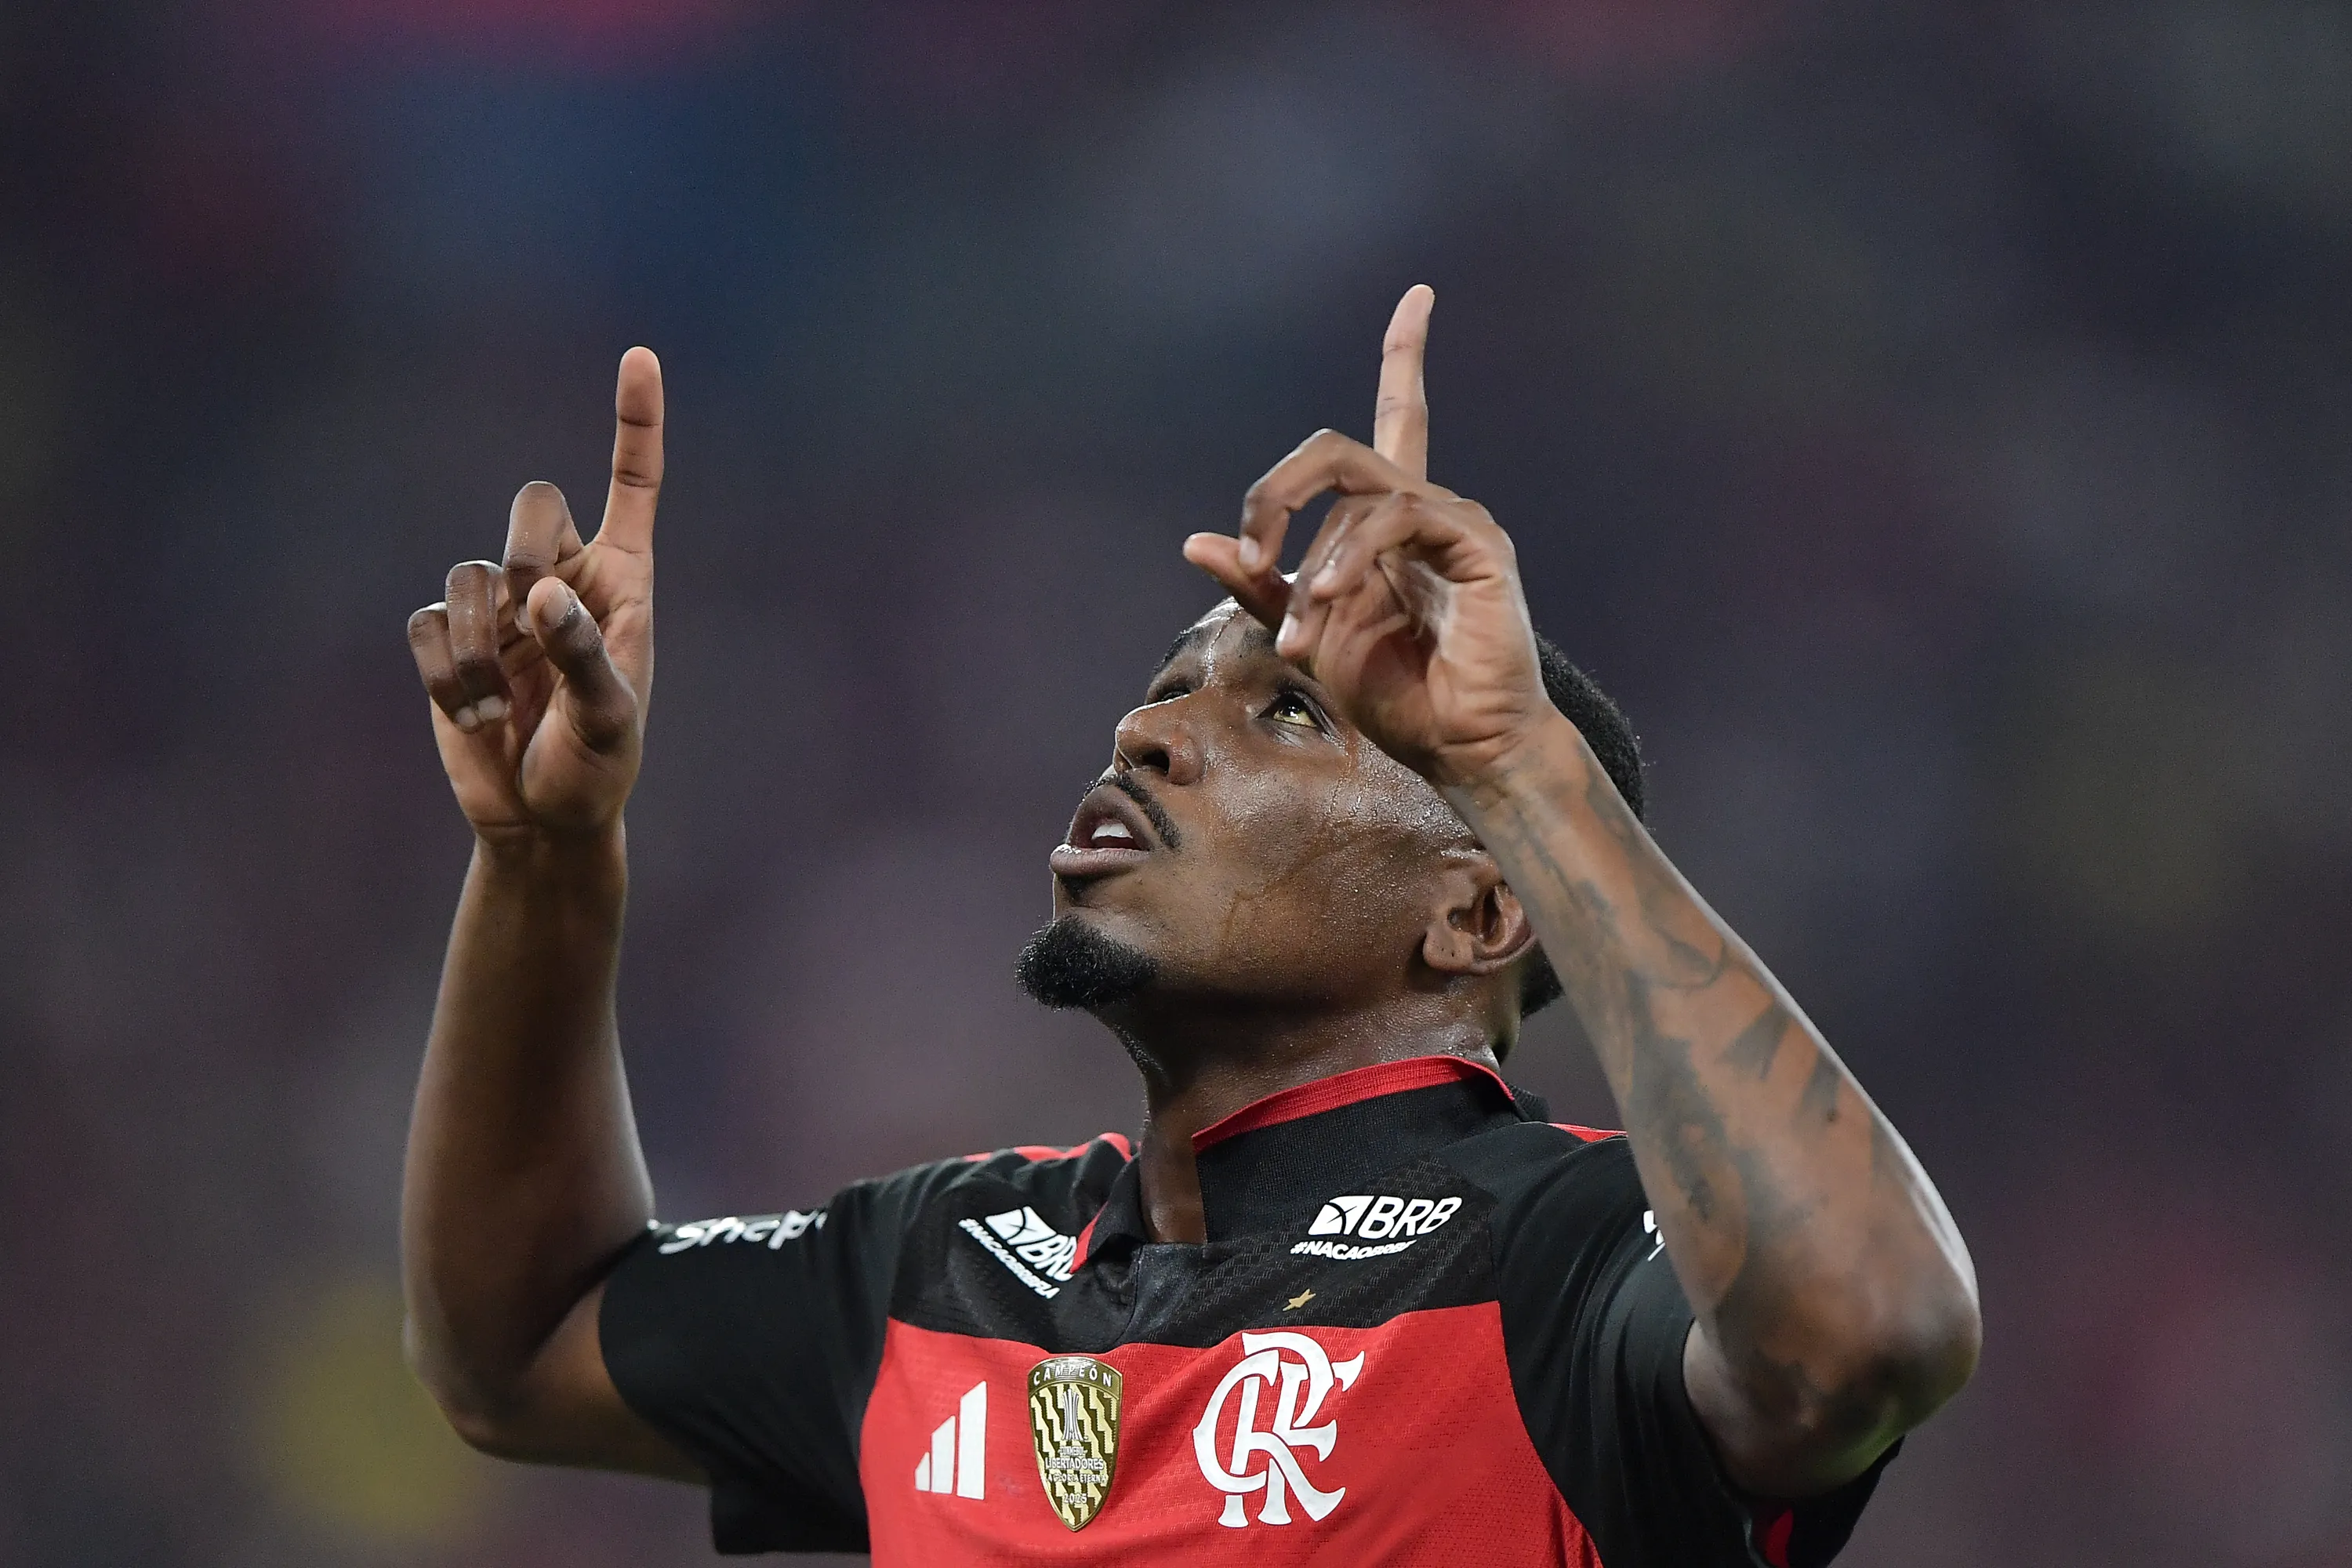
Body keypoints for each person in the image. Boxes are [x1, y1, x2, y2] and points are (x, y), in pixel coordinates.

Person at [399, 287, 1979, 1565]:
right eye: (1161, 693)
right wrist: (548, 860)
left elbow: (1868, 1331)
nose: (1149, 735)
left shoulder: (1562, 1260)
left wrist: (1517, 765)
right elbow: (519, 1341)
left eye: (1287, 715)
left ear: (1480, 906)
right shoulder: (942, 1268)